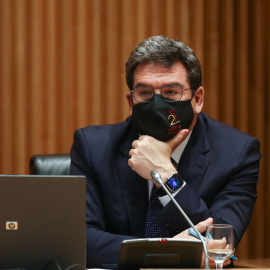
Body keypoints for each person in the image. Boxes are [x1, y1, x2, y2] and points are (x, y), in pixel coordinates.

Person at [70, 35, 261, 268]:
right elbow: (81, 240)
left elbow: (220, 242)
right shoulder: (93, 147)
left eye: (171, 92)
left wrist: (165, 174)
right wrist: (164, 251)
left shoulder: (236, 152)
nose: (158, 105)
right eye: (145, 93)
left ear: (197, 98)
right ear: (131, 102)